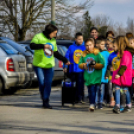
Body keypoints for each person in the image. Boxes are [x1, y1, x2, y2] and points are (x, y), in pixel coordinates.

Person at [30, 24, 70, 109]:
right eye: (54, 33)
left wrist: (65, 60)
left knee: (48, 83)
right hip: (39, 65)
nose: (55, 35)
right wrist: (43, 46)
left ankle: (46, 100)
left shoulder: (53, 40)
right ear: (49, 32)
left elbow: (55, 52)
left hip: (49, 65)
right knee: (41, 83)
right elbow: (32, 46)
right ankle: (44, 100)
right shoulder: (38, 36)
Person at [79, 38, 104, 112]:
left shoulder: (97, 53)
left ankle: (93, 103)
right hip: (88, 76)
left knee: (94, 89)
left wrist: (95, 65)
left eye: (90, 45)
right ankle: (92, 103)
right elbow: (79, 63)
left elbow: (102, 63)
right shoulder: (83, 54)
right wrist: (83, 65)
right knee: (90, 90)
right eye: (87, 45)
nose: (88, 47)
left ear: (93, 45)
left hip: (96, 76)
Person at [63, 32, 86, 103]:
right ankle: (74, 98)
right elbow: (67, 57)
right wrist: (65, 67)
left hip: (81, 70)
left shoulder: (84, 47)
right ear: (75, 39)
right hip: (72, 69)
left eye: (82, 39)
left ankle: (80, 98)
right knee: (73, 84)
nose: (81, 40)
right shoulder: (71, 47)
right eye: (79, 39)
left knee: (80, 84)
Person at [112, 36, 132, 114]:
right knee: (117, 88)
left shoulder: (126, 53)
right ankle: (117, 105)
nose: (114, 46)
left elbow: (124, 65)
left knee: (125, 90)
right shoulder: (119, 53)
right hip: (119, 75)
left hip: (123, 75)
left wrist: (119, 74)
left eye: (115, 44)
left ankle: (128, 105)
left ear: (120, 44)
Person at [95, 37, 110, 109]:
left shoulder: (106, 53)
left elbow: (109, 65)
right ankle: (94, 102)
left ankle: (100, 102)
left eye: (104, 44)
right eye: (102, 44)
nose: (103, 45)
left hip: (103, 75)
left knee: (101, 90)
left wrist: (107, 74)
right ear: (97, 44)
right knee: (95, 89)